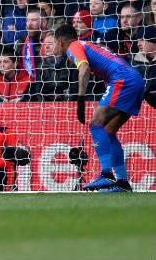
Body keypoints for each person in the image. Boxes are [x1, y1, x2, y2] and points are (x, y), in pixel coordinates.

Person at [54, 23, 146, 192]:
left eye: (54, 44)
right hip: (134, 79)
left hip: (123, 79)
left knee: (95, 124)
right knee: (109, 132)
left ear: (60, 42)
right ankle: (123, 183)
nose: (55, 48)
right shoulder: (89, 45)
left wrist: (80, 99)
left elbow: (84, 67)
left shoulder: (73, 46)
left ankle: (106, 174)